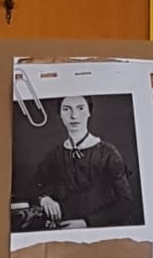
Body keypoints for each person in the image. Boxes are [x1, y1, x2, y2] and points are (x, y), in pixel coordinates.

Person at [28, 96, 136, 228]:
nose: (74, 116)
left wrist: (86, 223)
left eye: (80, 108)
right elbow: (33, 187)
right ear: (60, 115)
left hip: (103, 228)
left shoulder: (108, 153)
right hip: (65, 227)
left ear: (89, 112)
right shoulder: (54, 155)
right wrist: (44, 199)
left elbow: (126, 203)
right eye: (67, 109)